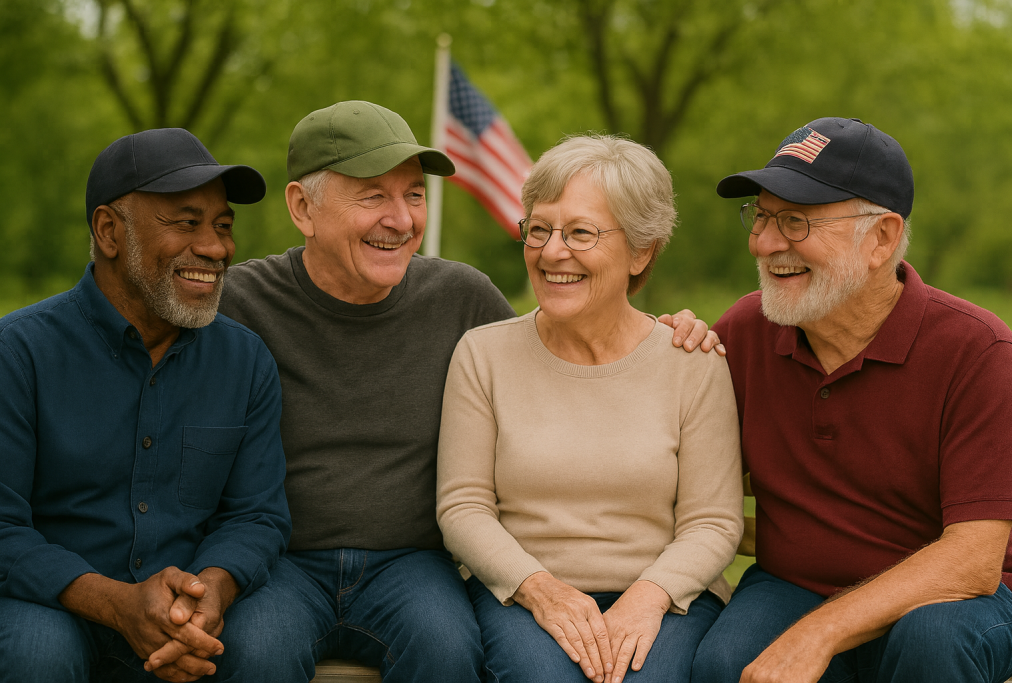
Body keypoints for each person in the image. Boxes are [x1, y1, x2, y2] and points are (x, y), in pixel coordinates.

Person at [217, 102, 721, 682]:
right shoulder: (239, 305)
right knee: (253, 651)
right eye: (372, 196)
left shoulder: (460, 298)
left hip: (409, 566)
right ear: (303, 208)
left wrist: (664, 334)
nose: (402, 219)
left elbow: (562, 342)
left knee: (448, 649)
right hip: (284, 564)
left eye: (413, 195)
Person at [686, 117, 1012, 683]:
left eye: (795, 222)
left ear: (882, 239)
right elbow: (675, 464)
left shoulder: (978, 351)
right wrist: (661, 345)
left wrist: (819, 634)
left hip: (967, 599)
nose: (765, 243)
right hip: (796, 585)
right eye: (762, 217)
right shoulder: (746, 330)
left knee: (929, 644)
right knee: (728, 664)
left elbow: (972, 562)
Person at [436, 134, 744, 683]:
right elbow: (463, 508)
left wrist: (647, 597)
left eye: (581, 232)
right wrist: (543, 591)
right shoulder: (482, 354)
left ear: (642, 250)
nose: (553, 251)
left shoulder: (691, 362)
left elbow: (712, 521)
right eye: (539, 229)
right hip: (522, 595)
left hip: (667, 596)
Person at [0, 128, 292, 683]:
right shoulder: (18, 353)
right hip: (51, 602)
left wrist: (209, 595)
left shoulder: (246, 360)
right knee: (39, 652)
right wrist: (117, 604)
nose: (215, 247)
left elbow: (258, 514)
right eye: (186, 223)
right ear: (109, 231)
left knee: (263, 645)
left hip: (189, 603)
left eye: (223, 226)